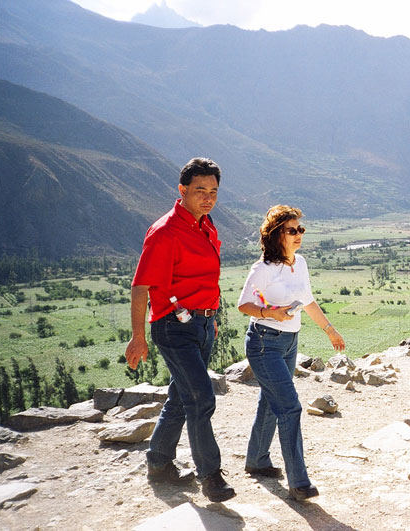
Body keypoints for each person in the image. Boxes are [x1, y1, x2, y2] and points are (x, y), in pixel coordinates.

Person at [125, 157, 235, 503]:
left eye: (213, 191)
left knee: (180, 396)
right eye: (200, 190)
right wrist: (138, 336)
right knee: (201, 396)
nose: (208, 198)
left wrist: (211, 317)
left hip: (202, 324)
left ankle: (158, 462)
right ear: (182, 190)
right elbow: (141, 286)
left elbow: (205, 278)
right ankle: (210, 476)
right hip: (173, 327)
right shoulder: (165, 231)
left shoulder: (207, 225)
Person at [237, 204, 345, 501]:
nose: (299, 235)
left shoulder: (301, 262)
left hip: (289, 343)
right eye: (292, 230)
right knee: (290, 407)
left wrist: (330, 329)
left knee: (271, 403)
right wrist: (270, 312)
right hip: (263, 342)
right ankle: (299, 482)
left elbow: (307, 301)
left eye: (301, 230)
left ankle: (257, 461)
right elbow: (244, 304)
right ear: (276, 235)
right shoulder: (263, 269)